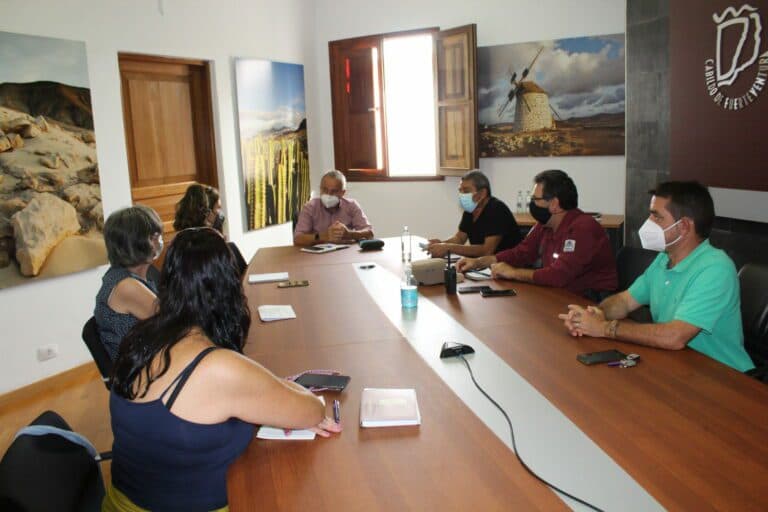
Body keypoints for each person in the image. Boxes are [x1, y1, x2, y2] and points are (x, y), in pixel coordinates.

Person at [104, 228, 342, 511]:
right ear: (229, 287)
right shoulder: (215, 366)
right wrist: (291, 391)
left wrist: (271, 387)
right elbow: (312, 411)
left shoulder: (139, 338)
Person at [559, 181, 754, 372]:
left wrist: (604, 328)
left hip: (725, 377)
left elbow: (674, 336)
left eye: (656, 217)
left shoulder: (715, 269)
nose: (648, 223)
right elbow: (625, 301)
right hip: (682, 367)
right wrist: (594, 314)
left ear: (684, 226)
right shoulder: (664, 259)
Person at [457, 170, 617, 300]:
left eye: (535, 199)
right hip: (561, 293)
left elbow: (558, 275)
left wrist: (513, 273)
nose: (532, 204)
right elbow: (521, 253)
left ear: (554, 204)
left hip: (593, 300)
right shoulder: (545, 225)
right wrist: (478, 262)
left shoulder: (583, 228)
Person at [94, 205, 162, 361]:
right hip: (139, 370)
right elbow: (173, 323)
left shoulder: (136, 275)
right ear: (135, 244)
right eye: (153, 237)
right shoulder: (126, 286)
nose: (159, 242)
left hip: (150, 356)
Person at [425, 170, 521, 258]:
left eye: (466, 191)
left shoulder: (497, 209)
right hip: (483, 265)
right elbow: (459, 238)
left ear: (483, 193)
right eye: (460, 191)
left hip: (508, 266)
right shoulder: (471, 209)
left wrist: (448, 247)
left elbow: (486, 251)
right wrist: (441, 244)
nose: (462, 195)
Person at [174, 183, 247, 275]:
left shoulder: (175, 250)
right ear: (207, 214)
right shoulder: (224, 251)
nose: (220, 213)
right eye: (218, 208)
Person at [293, 170, 373, 246]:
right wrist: (322, 236)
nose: (328, 194)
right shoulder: (310, 207)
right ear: (320, 188)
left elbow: (369, 233)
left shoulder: (351, 206)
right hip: (318, 255)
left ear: (343, 193)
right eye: (325, 189)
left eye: (334, 191)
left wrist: (350, 234)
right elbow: (297, 239)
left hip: (345, 253)